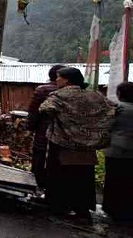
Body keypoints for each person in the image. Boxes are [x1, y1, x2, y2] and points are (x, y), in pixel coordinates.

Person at [39, 67, 116, 222]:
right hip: (87, 146)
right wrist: (92, 127)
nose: (56, 80)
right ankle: (83, 211)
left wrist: (66, 121)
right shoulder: (94, 95)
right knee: (83, 177)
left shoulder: (59, 95)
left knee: (59, 176)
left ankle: (59, 207)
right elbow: (112, 109)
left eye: (59, 77)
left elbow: (45, 109)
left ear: (67, 80)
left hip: (62, 143)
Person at [27, 64, 65, 189]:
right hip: (65, 138)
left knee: (40, 163)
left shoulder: (42, 90)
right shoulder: (73, 92)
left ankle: (37, 189)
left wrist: (30, 127)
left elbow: (33, 112)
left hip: (44, 134)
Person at [103, 82, 133, 221]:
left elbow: (106, 125)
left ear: (119, 94)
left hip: (116, 149)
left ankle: (112, 209)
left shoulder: (117, 109)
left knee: (114, 179)